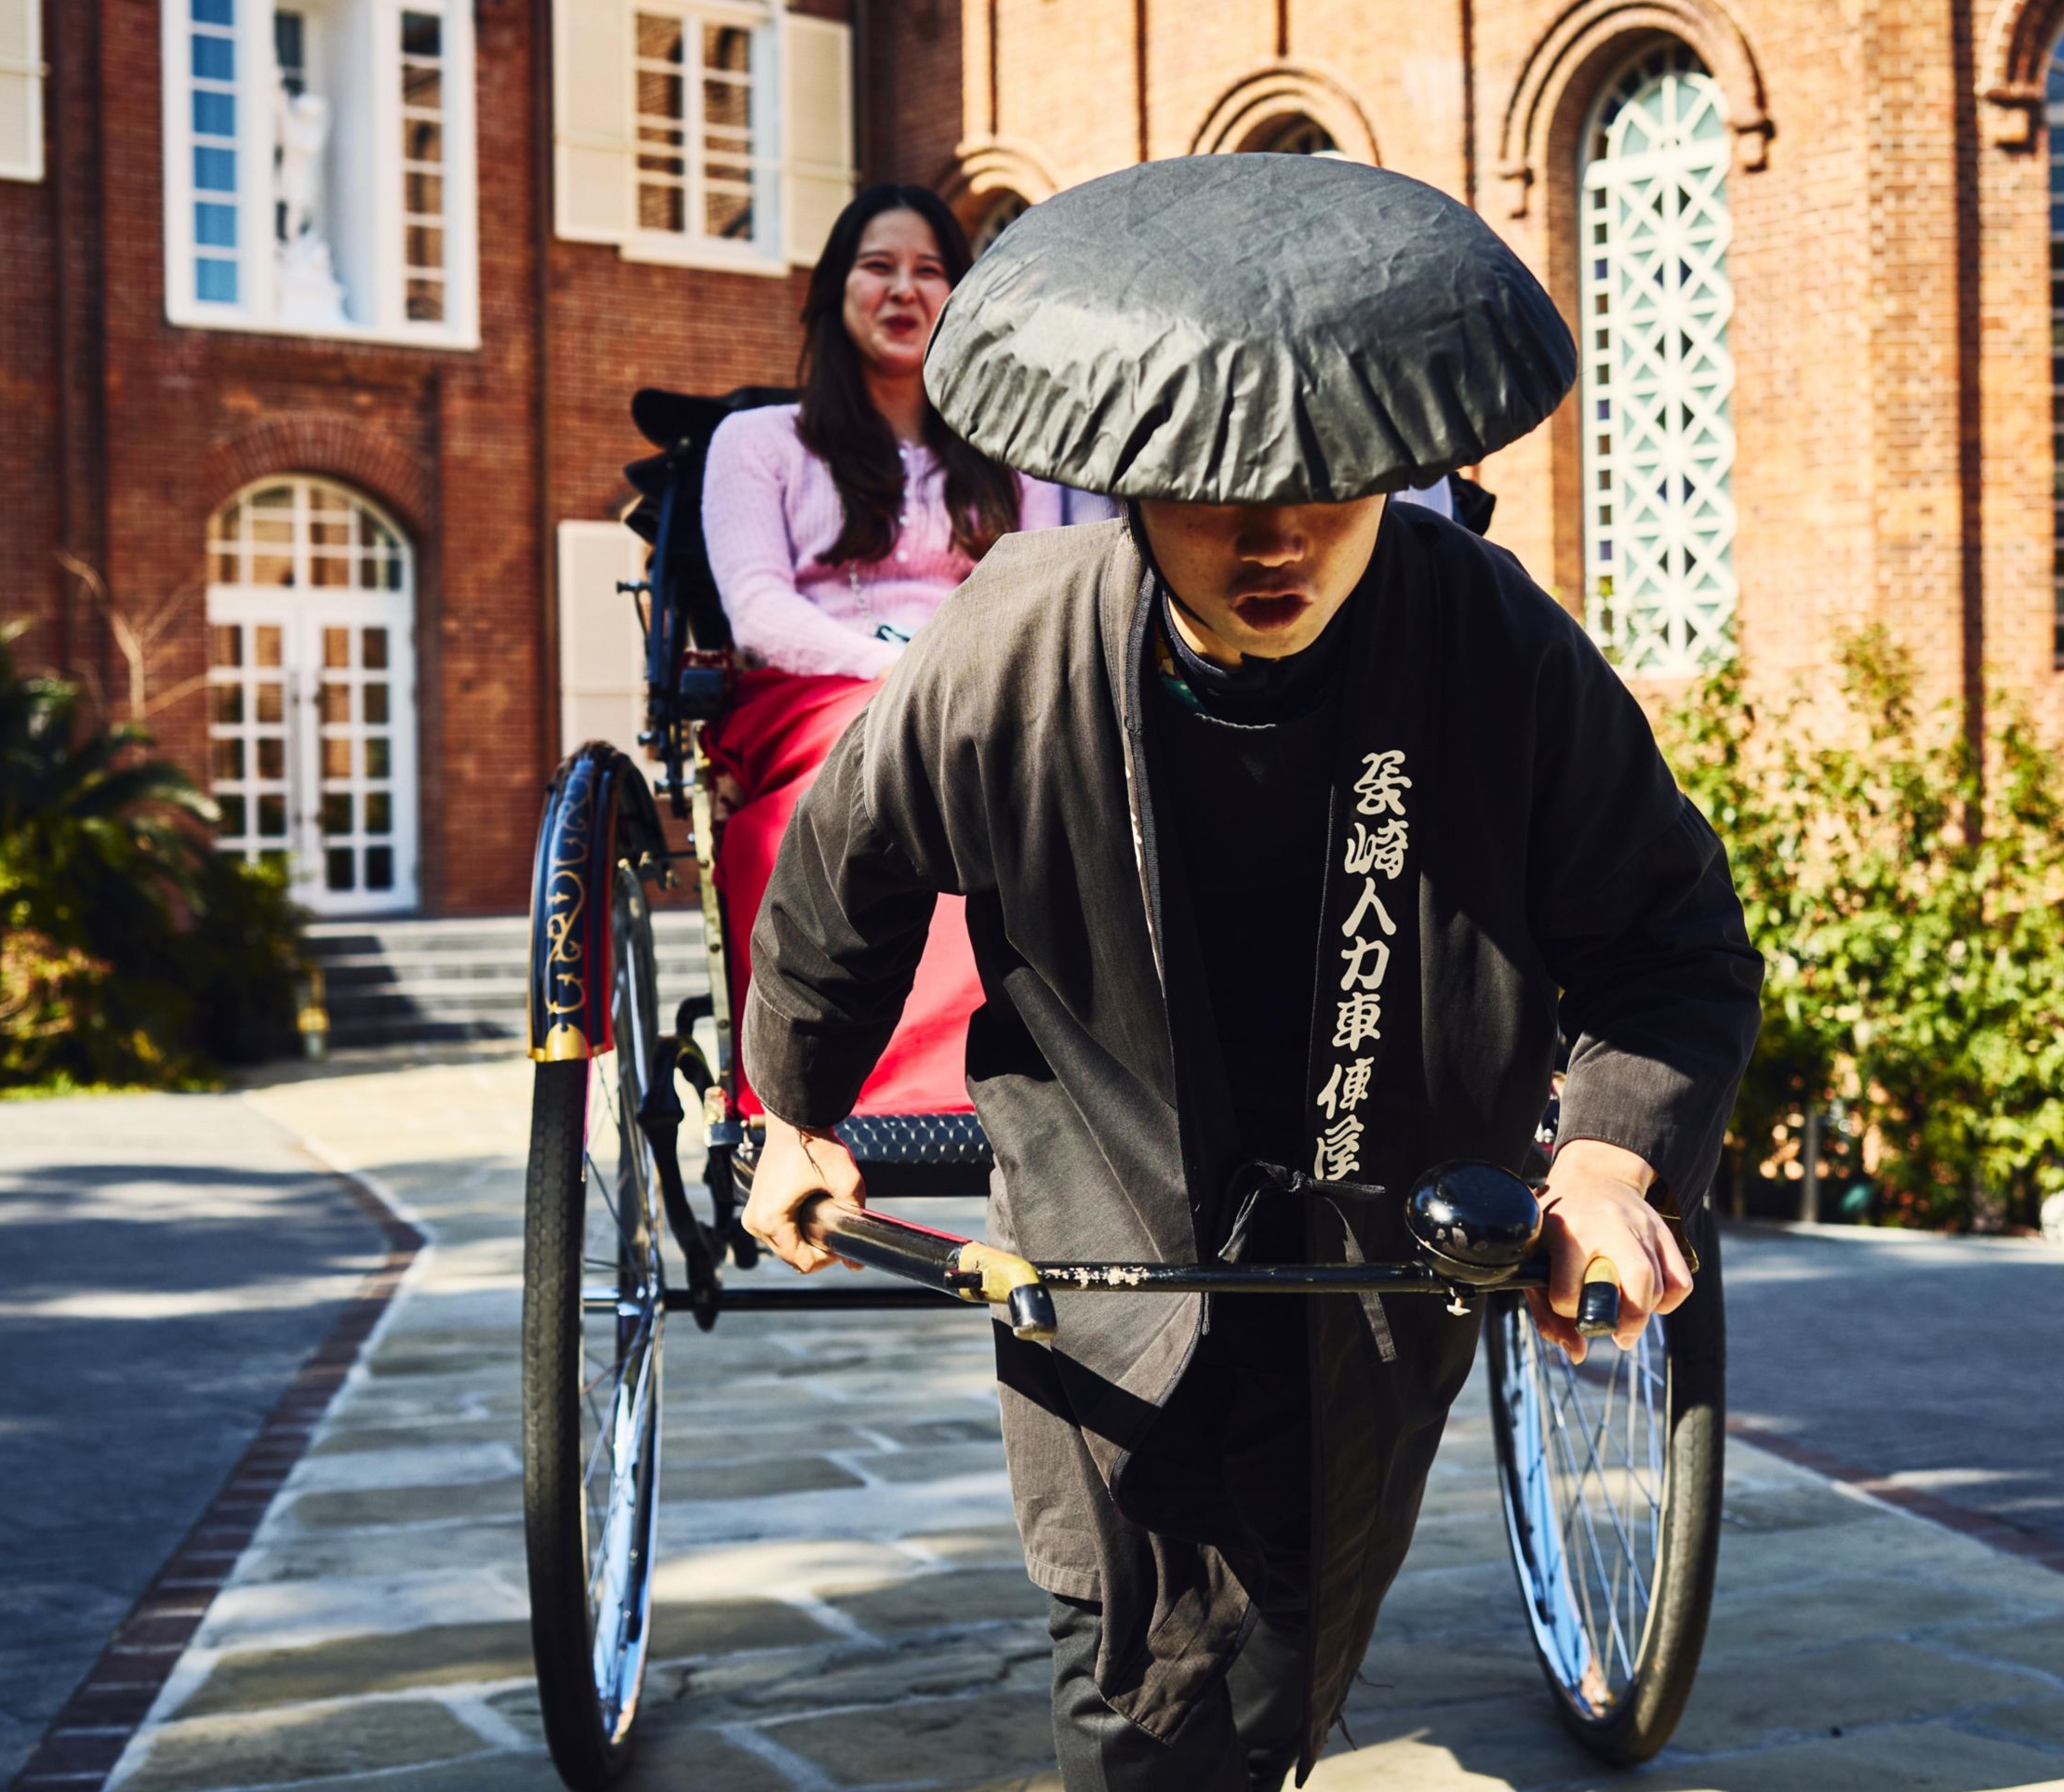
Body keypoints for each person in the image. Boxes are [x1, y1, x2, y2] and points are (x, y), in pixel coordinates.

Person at [735, 154, 1766, 1790]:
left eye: (1328, 489)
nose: (1275, 538)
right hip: (1106, 1209)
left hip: (1386, 1204)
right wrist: (795, 1109)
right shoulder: (1009, 644)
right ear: (1130, 480)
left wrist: (1607, 1156)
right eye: (1218, 493)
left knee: (1291, 1626)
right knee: (1129, 1651)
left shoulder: (1490, 640)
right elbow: (838, 880)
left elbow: (1672, 941)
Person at [700, 184, 1069, 1116]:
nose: (904, 290)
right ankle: (864, 1082)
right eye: (878, 267)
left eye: (929, 272)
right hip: (812, 689)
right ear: (835, 291)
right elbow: (755, 610)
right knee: (898, 757)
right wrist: (898, 674)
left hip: (981, 690)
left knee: (1060, 775)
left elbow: (1047, 589)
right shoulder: (759, 442)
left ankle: (1038, 1069)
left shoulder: (1007, 458)